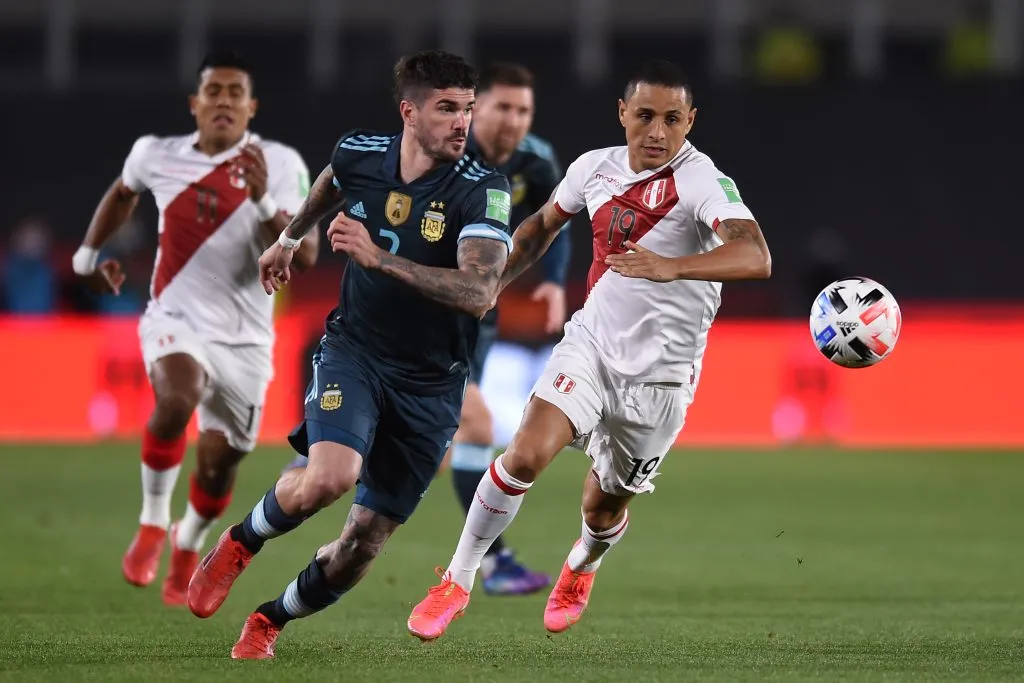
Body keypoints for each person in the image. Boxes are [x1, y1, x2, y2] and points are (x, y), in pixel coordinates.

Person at [406, 60, 773, 640]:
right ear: (622, 113)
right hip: (592, 348)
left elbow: (755, 255)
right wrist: (492, 287)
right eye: (645, 116)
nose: (657, 132)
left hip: (663, 378)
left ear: (690, 121)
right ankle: (456, 579)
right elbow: (540, 226)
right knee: (523, 455)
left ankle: (583, 563)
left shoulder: (703, 180)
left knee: (604, 508)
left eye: (672, 120)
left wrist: (670, 267)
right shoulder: (591, 169)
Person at [185, 50, 514, 660]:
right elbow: (333, 180)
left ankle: (270, 619)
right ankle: (239, 543)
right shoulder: (361, 152)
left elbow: (480, 292)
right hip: (355, 353)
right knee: (331, 477)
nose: (462, 123)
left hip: (432, 386)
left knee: (362, 543)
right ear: (408, 112)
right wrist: (287, 239)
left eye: (467, 109)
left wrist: (378, 258)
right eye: (447, 108)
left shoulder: (481, 191)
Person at [71, 50, 318, 606]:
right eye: (215, 92)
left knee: (218, 463)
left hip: (248, 338)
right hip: (174, 317)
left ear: (252, 107)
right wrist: (88, 255)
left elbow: (305, 258)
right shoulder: (155, 155)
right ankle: (153, 523)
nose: (224, 102)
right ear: (195, 104)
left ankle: (189, 542)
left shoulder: (279, 164)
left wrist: (259, 201)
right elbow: (122, 192)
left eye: (236, 94)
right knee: (177, 397)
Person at [447, 61, 571, 595]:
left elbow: (556, 219)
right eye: (502, 107)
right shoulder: (444, 153)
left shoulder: (535, 160)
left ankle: (323, 445)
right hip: (425, 305)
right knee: (472, 425)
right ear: (477, 110)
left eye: (523, 110)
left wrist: (555, 281)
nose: (513, 120)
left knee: (461, 428)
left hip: (480, 312)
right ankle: (491, 564)